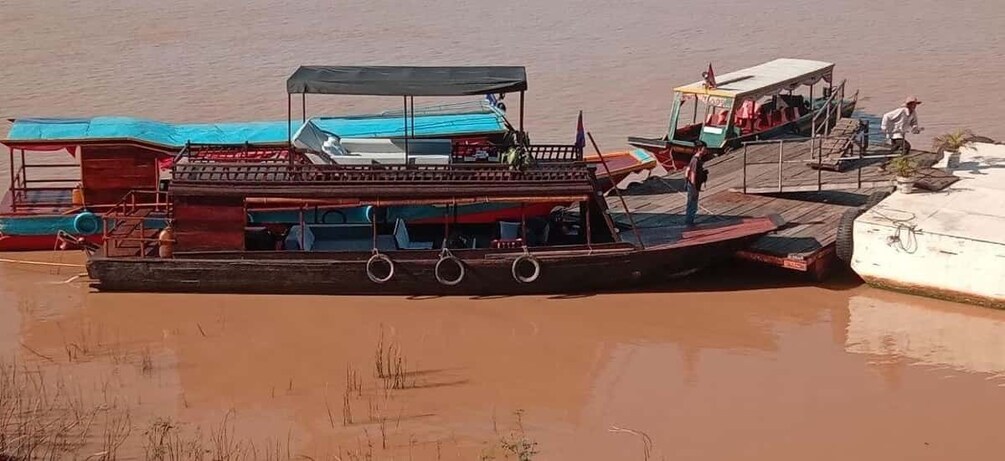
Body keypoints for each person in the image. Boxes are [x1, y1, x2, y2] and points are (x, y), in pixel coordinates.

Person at [684, 141, 710, 227]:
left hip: (693, 185)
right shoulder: (696, 160)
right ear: (699, 149)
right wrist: (693, 186)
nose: (705, 150)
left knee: (691, 204)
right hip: (693, 186)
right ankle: (689, 222)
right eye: (704, 148)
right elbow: (692, 173)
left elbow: (687, 170)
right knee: (692, 205)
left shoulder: (695, 159)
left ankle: (689, 221)